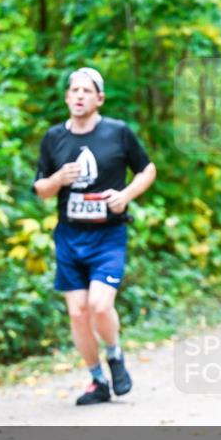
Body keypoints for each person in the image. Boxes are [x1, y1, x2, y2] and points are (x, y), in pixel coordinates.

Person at [33, 67, 156, 406]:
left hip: (108, 236)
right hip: (69, 238)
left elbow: (148, 169)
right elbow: (41, 189)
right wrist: (58, 178)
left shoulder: (117, 132)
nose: (79, 96)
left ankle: (114, 356)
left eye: (87, 91)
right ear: (66, 97)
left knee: (100, 306)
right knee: (77, 313)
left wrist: (126, 195)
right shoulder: (54, 138)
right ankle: (97, 380)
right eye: (74, 90)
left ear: (99, 98)